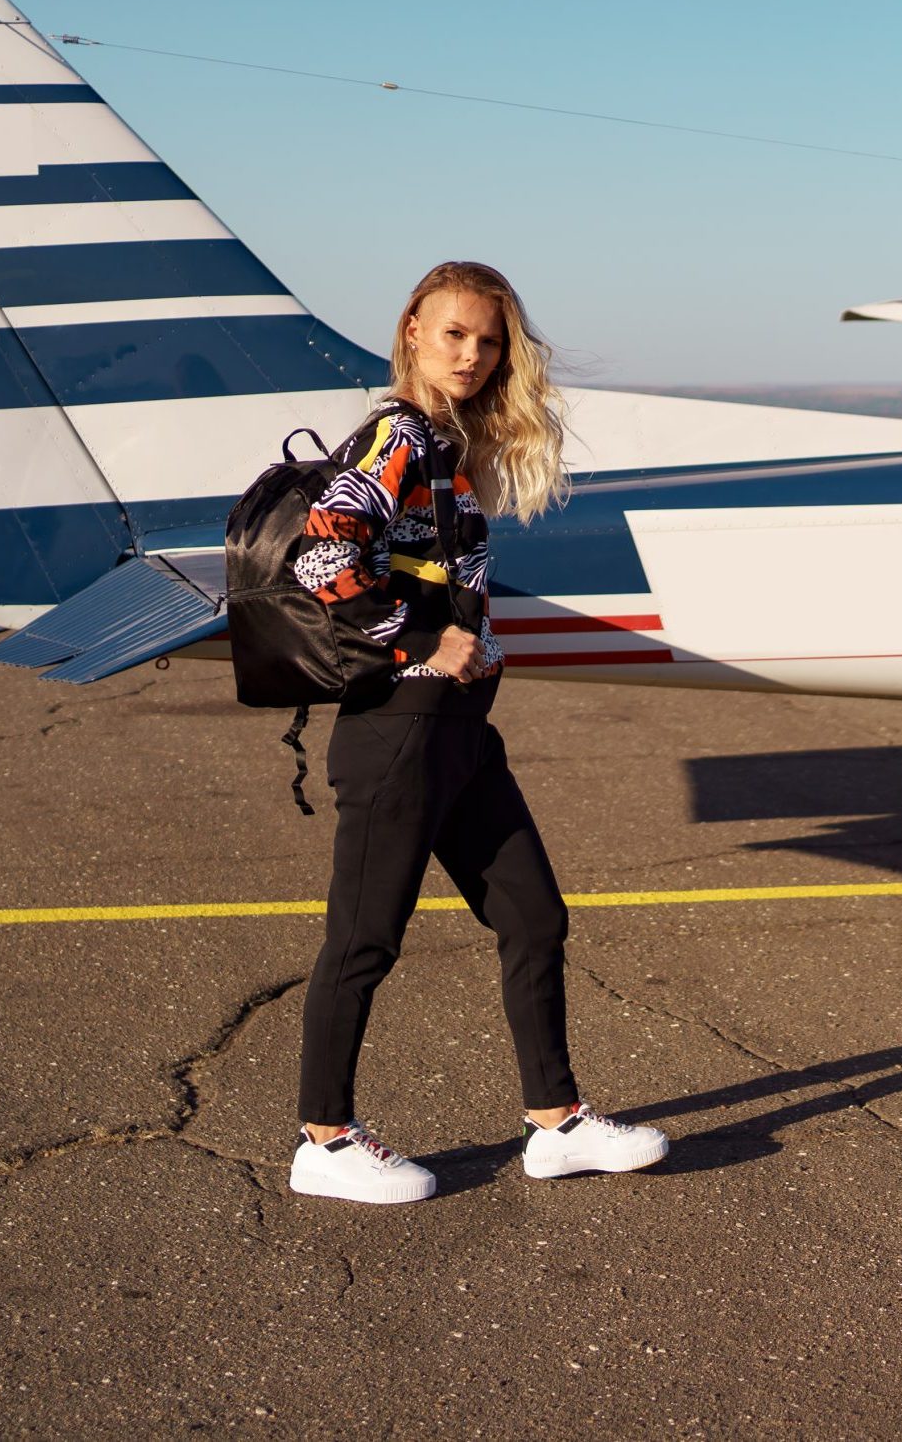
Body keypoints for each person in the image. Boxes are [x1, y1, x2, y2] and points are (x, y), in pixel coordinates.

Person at [285, 260, 667, 1204]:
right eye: (454, 333)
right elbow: (319, 556)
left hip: (459, 733)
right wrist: (423, 636)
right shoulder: (396, 436)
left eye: (489, 340)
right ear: (413, 328)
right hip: (398, 733)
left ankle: (556, 1124)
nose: (472, 354)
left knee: (534, 915)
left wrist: (469, 651)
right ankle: (323, 1140)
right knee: (364, 939)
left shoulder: (447, 447)